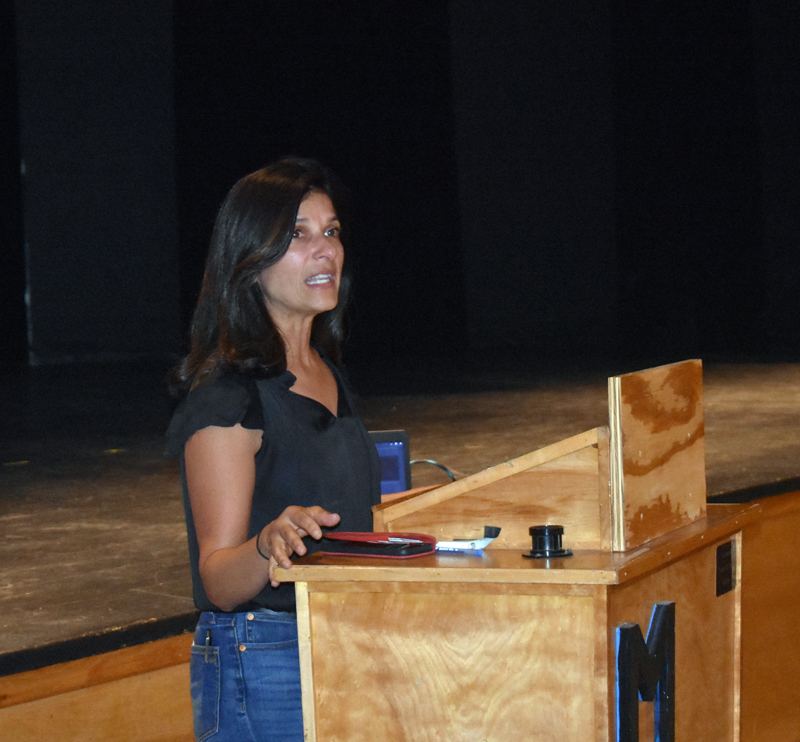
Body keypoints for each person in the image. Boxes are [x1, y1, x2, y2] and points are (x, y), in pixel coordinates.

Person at [166, 157, 381, 742]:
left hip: (340, 639)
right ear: (250, 262)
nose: (325, 251)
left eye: (331, 232)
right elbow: (218, 577)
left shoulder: (328, 375)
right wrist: (265, 545)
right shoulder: (228, 398)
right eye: (297, 236)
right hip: (261, 655)